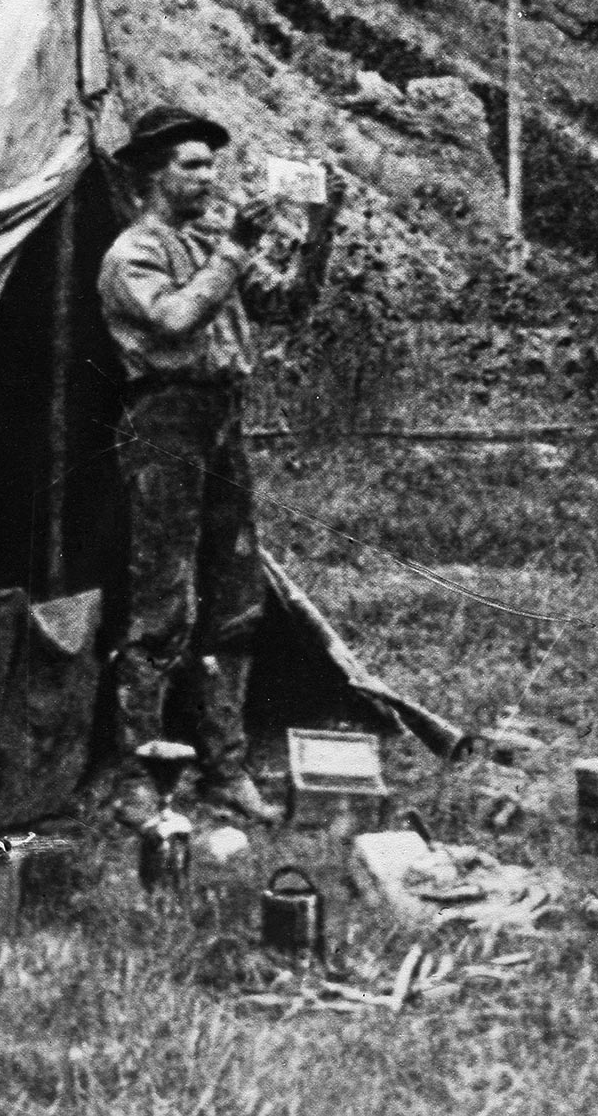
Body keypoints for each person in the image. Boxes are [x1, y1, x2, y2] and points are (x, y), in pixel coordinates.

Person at [98, 103, 339, 827]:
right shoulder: (131, 254)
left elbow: (283, 304)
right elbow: (174, 319)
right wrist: (233, 251)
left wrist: (320, 232)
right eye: (193, 165)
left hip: (221, 420)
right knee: (162, 606)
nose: (209, 177)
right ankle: (140, 777)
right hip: (164, 421)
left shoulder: (212, 240)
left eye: (212, 164)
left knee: (236, 600)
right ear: (152, 173)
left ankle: (225, 769)